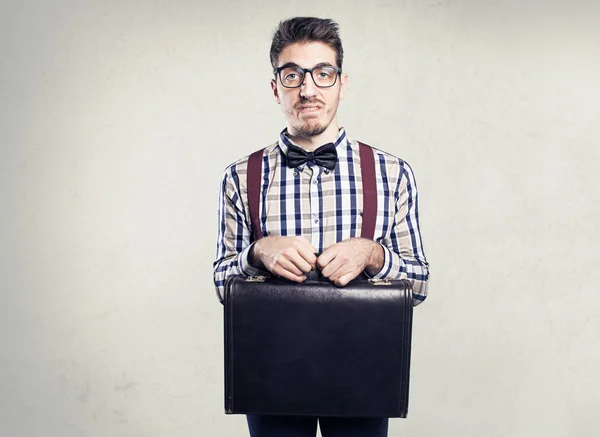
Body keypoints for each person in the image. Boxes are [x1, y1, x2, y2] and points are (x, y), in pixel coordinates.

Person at [214, 16, 429, 437]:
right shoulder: (240, 176)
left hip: (363, 373)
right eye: (293, 75)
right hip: (271, 373)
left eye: (322, 73)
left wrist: (373, 254)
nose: (308, 89)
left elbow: (419, 284)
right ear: (276, 87)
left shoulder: (392, 173)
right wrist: (257, 253)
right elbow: (223, 283)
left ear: (341, 83)